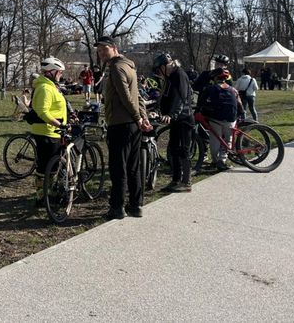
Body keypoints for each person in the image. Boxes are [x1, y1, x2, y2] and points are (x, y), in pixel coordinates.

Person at [96, 36, 151, 220]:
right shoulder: (129, 66)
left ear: (114, 48)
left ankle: (117, 208)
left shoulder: (116, 68)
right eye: (99, 50)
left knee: (118, 168)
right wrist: (142, 118)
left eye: (104, 49)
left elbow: (127, 97)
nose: (102, 53)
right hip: (133, 125)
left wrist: (137, 116)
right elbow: (139, 97)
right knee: (133, 167)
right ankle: (136, 206)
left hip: (120, 124)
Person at [153, 53, 195, 193]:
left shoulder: (179, 75)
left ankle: (186, 182)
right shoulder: (170, 77)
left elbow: (180, 99)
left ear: (165, 66)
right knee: (173, 150)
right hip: (177, 120)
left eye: (159, 70)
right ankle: (176, 180)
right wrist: (155, 108)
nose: (159, 73)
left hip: (183, 119)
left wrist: (171, 115)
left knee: (183, 150)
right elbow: (165, 97)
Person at [30, 57, 68, 208]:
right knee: (46, 167)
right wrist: (59, 124)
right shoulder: (45, 88)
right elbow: (42, 111)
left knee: (50, 167)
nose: (60, 75)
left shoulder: (51, 87)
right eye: (59, 72)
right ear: (51, 72)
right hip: (47, 132)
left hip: (53, 132)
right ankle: (42, 197)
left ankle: (46, 195)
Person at [198, 68, 245, 171]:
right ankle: (222, 161)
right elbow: (240, 105)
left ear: (215, 78)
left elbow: (201, 102)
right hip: (230, 119)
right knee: (228, 140)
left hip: (215, 118)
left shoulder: (210, 88)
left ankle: (214, 161)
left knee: (215, 140)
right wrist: (241, 115)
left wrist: (199, 110)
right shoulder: (233, 90)